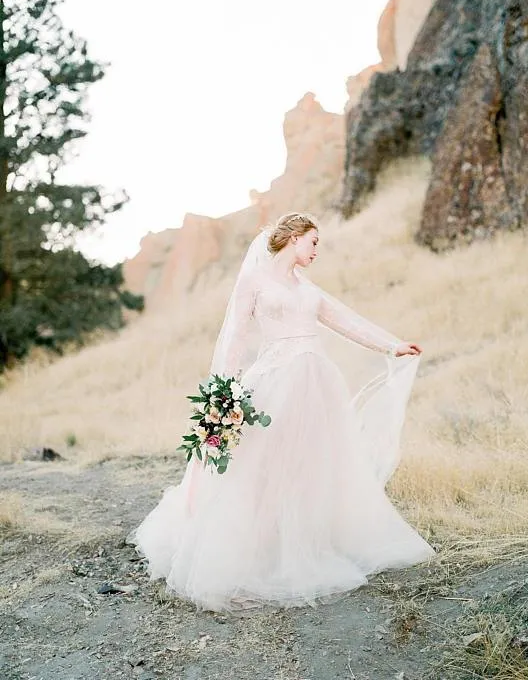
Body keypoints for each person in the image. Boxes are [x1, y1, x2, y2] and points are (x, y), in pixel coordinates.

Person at [129, 212, 434, 611]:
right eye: (313, 242)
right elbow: (234, 338)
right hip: (273, 385)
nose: (316, 251)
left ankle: (303, 545)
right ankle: (250, 553)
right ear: (292, 238)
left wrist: (392, 345)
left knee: (308, 467)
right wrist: (223, 395)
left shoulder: (306, 289)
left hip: (315, 385)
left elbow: (345, 321)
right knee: (260, 468)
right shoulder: (253, 281)